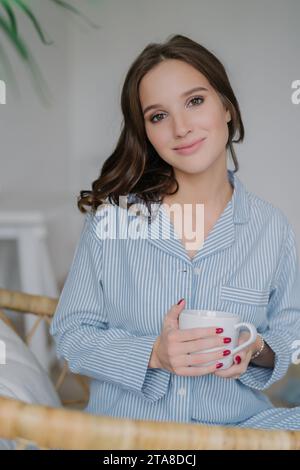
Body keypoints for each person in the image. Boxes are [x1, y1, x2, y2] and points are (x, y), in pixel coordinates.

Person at [50, 34, 300, 430]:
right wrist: (153, 354)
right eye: (158, 115)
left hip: (238, 432)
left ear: (227, 107)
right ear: (145, 131)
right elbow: (71, 335)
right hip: (129, 437)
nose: (181, 128)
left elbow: (292, 337)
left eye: (195, 101)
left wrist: (255, 349)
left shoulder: (270, 228)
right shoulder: (113, 221)